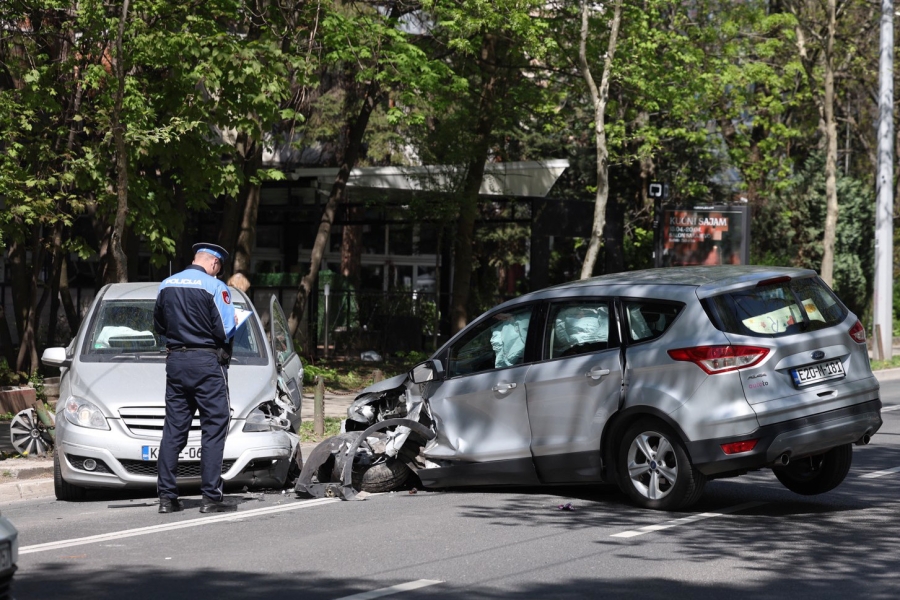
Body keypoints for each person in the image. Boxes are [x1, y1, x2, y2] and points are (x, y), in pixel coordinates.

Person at [153, 243, 237, 514]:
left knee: (174, 430)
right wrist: (233, 319)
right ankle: (211, 497)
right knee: (214, 428)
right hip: (206, 363)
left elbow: (159, 326)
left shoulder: (166, 284)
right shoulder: (215, 286)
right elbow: (224, 330)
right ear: (214, 264)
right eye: (218, 267)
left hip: (176, 361)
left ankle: (167, 498)